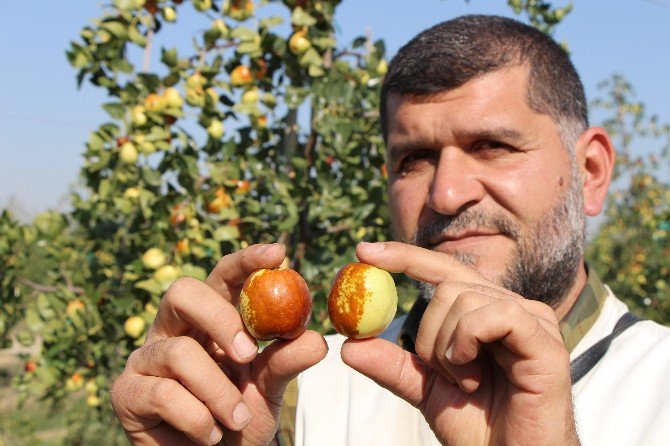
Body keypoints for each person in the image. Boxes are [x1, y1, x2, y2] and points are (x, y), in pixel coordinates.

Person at [110, 15, 670, 446]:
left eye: (492, 146)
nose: (447, 194)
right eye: (414, 160)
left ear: (590, 173)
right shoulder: (300, 390)